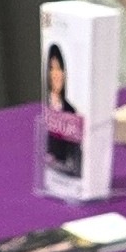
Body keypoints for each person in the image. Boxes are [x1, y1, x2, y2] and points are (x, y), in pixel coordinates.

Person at [44, 44, 82, 177]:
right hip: (49, 173)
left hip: (66, 173)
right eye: (51, 69)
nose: (56, 75)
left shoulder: (70, 111)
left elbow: (75, 155)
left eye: (59, 69)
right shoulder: (45, 108)